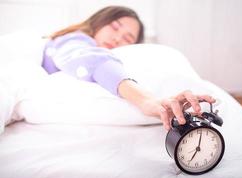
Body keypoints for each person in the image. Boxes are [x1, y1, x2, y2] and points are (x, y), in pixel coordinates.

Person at [41, 5, 215, 130]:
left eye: (127, 39)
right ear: (99, 21)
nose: (117, 38)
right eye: (115, 27)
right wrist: (147, 100)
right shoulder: (76, 40)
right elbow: (89, 59)